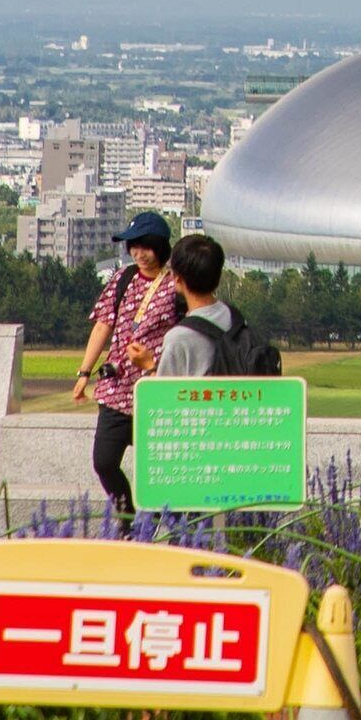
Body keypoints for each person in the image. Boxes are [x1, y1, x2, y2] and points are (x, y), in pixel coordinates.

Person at [72, 212, 183, 522]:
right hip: (117, 389)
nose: (139, 254)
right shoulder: (123, 278)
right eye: (134, 247)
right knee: (104, 462)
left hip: (154, 389)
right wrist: (84, 372)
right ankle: (127, 521)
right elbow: (103, 325)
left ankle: (170, 527)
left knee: (162, 468)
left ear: (161, 247)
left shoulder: (176, 286)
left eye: (146, 247)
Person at [154, 232, 243, 374]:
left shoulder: (178, 338)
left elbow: (165, 394)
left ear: (177, 279)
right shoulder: (235, 318)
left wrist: (148, 365)